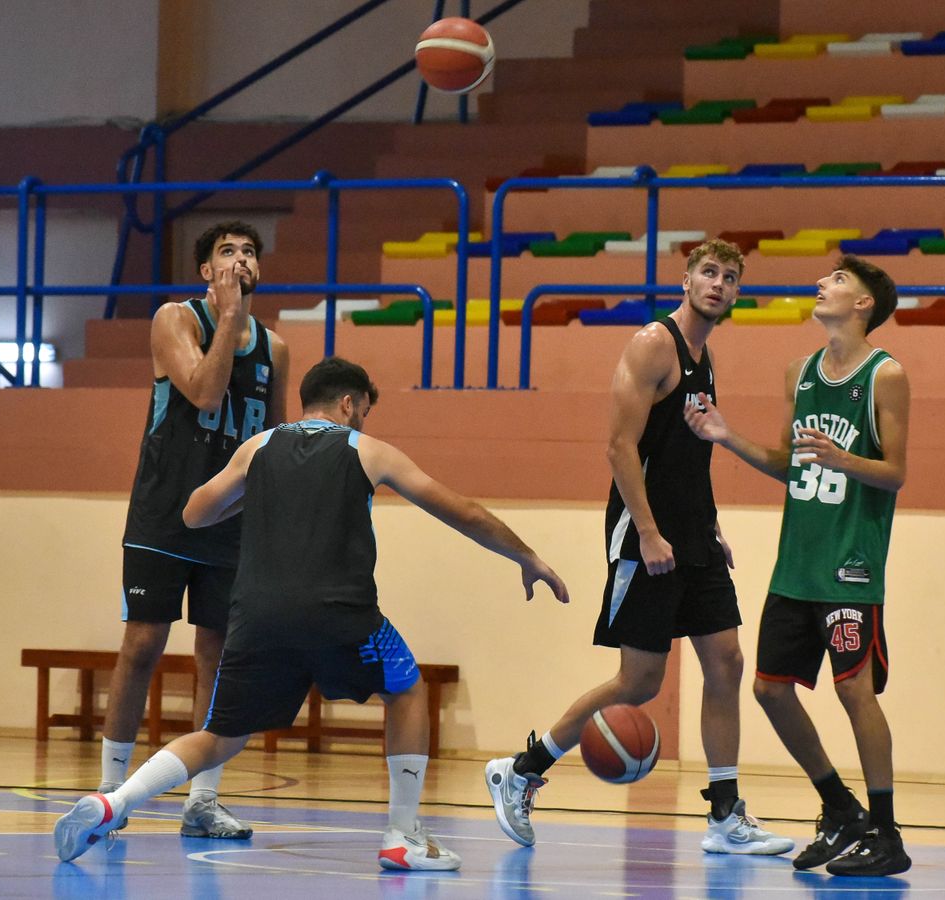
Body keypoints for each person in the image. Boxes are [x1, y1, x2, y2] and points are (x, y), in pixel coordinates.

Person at [56, 357, 570, 869]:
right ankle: (402, 835)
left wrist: (247, 497)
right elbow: (464, 512)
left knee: (219, 738)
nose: (364, 420)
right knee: (407, 689)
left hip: (255, 620)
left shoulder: (257, 448)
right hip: (339, 615)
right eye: (364, 410)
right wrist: (526, 556)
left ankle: (113, 802)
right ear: (348, 403)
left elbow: (194, 512)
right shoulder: (367, 451)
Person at [484, 238, 793, 857]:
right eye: (709, 272)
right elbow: (620, 449)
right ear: (685, 279)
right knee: (638, 681)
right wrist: (649, 532)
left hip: (693, 533)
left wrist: (710, 526)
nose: (718, 285)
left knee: (726, 661)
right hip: (643, 533)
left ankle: (725, 815)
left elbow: (689, 454)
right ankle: (521, 768)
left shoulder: (706, 358)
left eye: (730, 278)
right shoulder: (655, 344)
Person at [684, 255, 912, 877]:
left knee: (852, 688)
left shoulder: (886, 376)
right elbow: (789, 465)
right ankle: (840, 810)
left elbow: (894, 473)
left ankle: (886, 831)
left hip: (852, 564)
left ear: (864, 304)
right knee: (769, 689)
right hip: (797, 564)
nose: (823, 284)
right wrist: (726, 436)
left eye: (839, 281)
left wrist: (842, 459)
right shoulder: (800, 372)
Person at [104, 221, 290, 840]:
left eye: (249, 252)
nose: (240, 259)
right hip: (164, 510)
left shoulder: (277, 349)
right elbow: (207, 395)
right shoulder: (173, 320)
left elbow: (272, 446)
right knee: (143, 645)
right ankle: (111, 793)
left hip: (230, 525)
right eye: (226, 252)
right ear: (206, 272)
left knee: (219, 653)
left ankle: (202, 800)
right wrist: (230, 318)